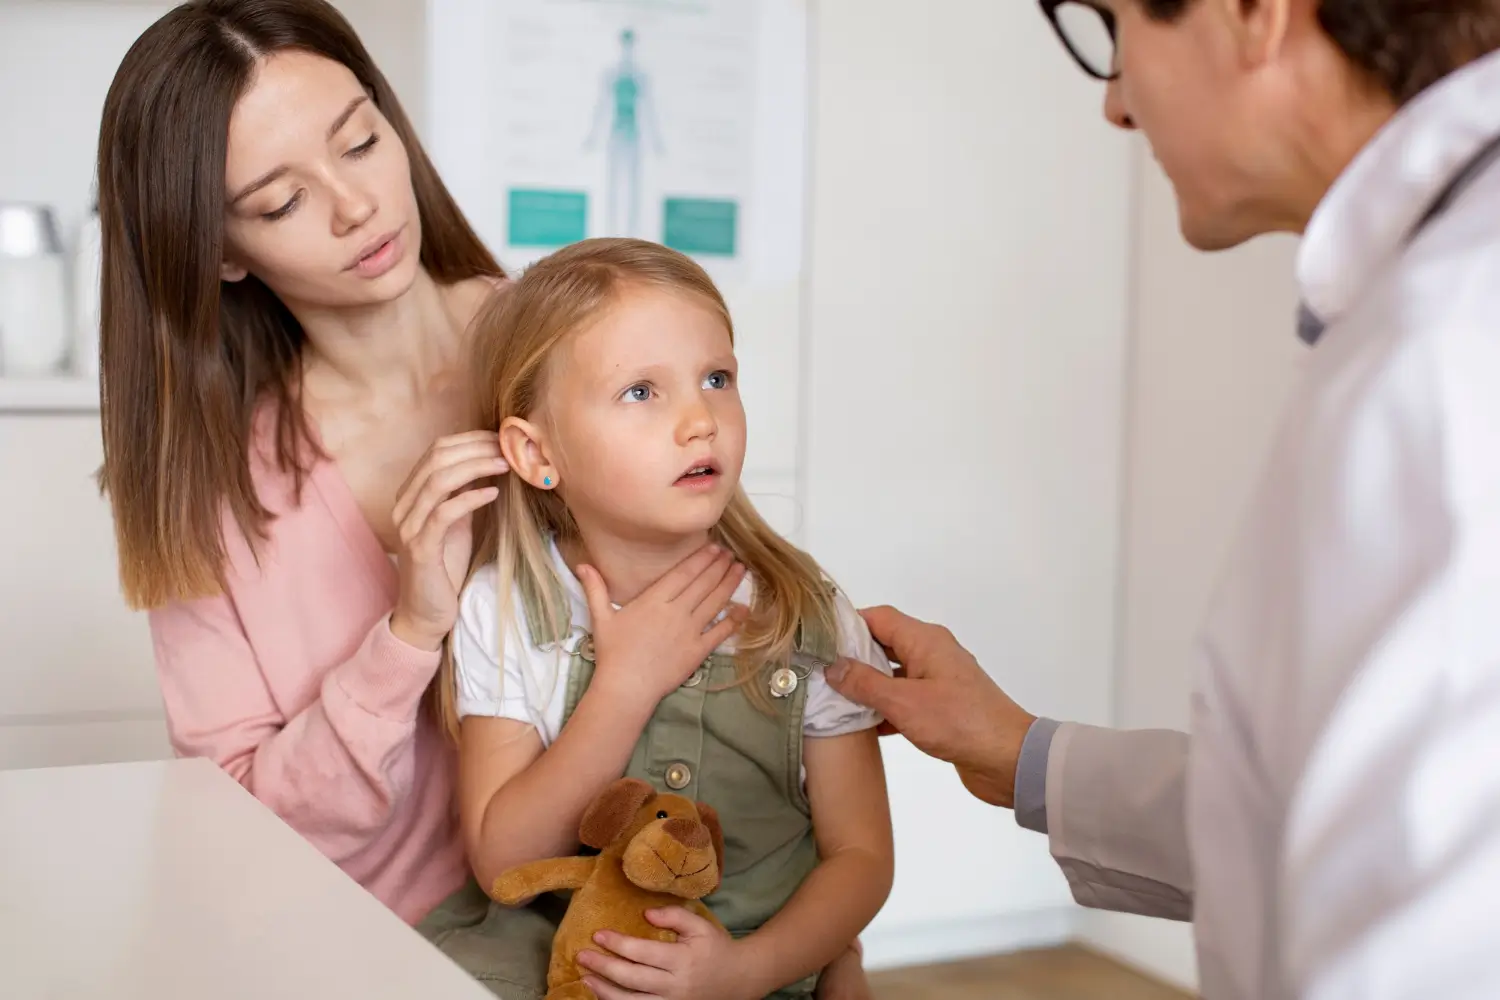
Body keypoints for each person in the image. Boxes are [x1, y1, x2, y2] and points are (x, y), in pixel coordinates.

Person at [827, 1, 1500, 998]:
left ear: (1253, 15)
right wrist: (1018, 751)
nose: (1115, 105)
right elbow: (1323, 809)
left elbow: (1424, 928)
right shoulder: (1424, 311)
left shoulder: (1450, 346)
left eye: (1113, 31)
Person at [439, 238, 895, 1000]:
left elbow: (862, 856)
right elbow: (503, 861)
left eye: (716, 379)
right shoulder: (507, 605)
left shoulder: (802, 611)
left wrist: (746, 972)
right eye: (641, 392)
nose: (699, 421)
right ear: (535, 450)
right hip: (563, 963)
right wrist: (625, 685)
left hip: (758, 960)